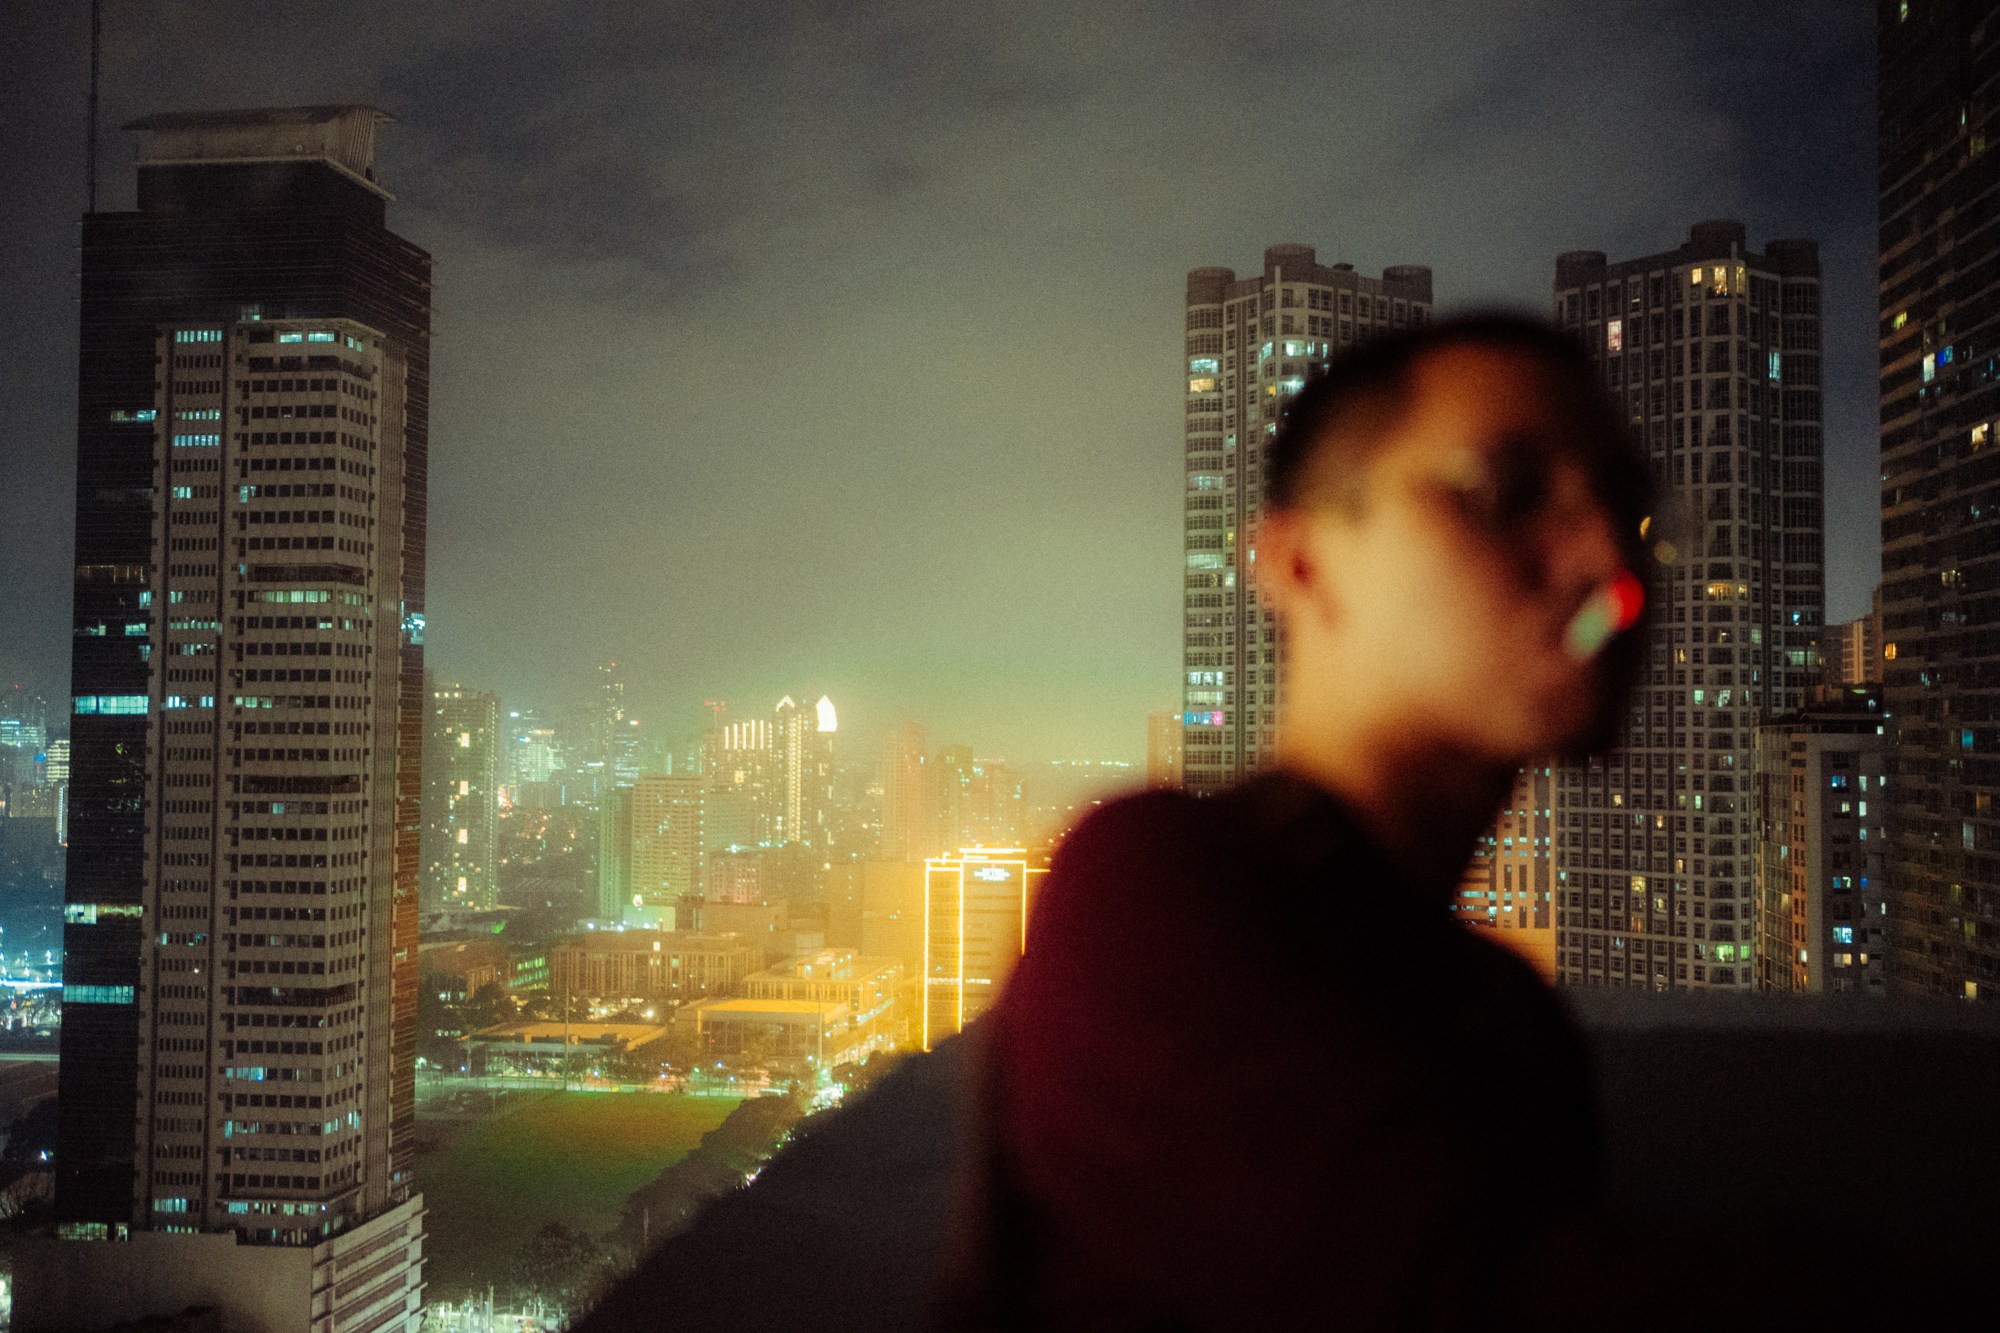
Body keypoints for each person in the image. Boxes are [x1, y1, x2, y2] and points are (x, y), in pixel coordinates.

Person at [935, 314, 1655, 1330]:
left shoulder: (1504, 1009)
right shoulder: (1142, 890)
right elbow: (1476, 1294)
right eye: (1506, 492)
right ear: (1300, 563)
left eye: (1629, 507)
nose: (1609, 571)